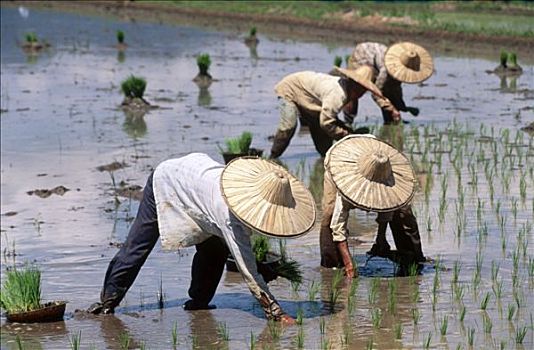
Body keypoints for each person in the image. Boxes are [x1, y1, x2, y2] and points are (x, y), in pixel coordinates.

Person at [87, 153, 317, 324]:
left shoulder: (247, 190)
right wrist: (275, 311)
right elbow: (246, 269)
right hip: (167, 180)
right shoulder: (229, 217)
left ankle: (198, 302)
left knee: (214, 251)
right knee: (139, 245)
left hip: (198, 188)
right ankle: (108, 301)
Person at [320, 134, 425, 274]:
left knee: (403, 211)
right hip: (341, 163)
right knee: (330, 214)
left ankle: (414, 259)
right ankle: (332, 265)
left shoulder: (385, 169)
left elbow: (387, 208)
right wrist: (349, 263)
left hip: (376, 162)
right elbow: (338, 225)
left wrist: (380, 238)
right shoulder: (346, 183)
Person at [269, 65, 395, 158]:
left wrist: (349, 132)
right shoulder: (338, 94)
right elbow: (327, 123)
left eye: (365, 90)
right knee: (289, 125)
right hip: (290, 89)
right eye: (362, 89)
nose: (362, 93)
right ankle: (272, 158)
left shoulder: (347, 91)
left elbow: (328, 119)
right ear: (354, 84)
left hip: (311, 101)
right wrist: (347, 136)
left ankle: (325, 162)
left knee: (325, 147)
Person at [347, 42, 434, 124]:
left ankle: (391, 121)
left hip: (375, 57)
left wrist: (403, 107)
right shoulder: (386, 70)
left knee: (390, 90)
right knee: (354, 91)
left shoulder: (400, 68)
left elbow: (396, 89)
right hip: (362, 56)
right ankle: (348, 121)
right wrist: (392, 109)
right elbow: (376, 93)